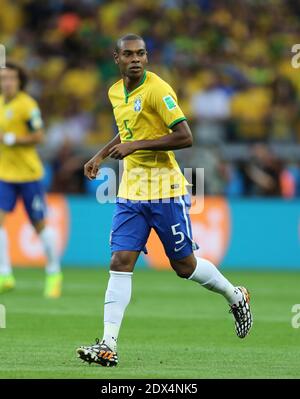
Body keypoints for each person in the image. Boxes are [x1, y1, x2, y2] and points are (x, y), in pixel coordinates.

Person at [76, 34, 253, 367]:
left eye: (141, 54)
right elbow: (127, 131)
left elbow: (185, 136)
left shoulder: (158, 90)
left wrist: (135, 147)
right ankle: (108, 344)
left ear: (147, 56)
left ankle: (235, 295)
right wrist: (100, 155)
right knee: (120, 261)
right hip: (131, 191)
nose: (135, 59)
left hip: (166, 191)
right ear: (116, 58)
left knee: (184, 266)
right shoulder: (115, 91)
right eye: (128, 54)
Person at [0, 62, 62, 298]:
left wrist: (10, 139)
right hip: (4, 174)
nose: (6, 82)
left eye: (10, 78)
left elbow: (39, 135)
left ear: (19, 81)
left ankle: (54, 273)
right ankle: (5, 275)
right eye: (3, 78)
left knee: (39, 225)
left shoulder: (27, 105)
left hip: (28, 175)